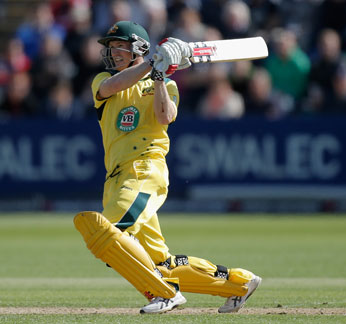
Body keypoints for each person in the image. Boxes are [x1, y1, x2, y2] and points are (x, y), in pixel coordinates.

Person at [73, 21, 261, 314]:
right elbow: (112, 87)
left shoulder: (166, 84)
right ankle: (239, 284)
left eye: (120, 45)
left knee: (102, 232)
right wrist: (153, 63)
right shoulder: (103, 80)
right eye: (111, 47)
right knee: (160, 262)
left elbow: (165, 116)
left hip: (144, 170)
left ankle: (163, 293)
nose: (114, 52)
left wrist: (159, 74)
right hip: (117, 178)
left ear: (139, 47)